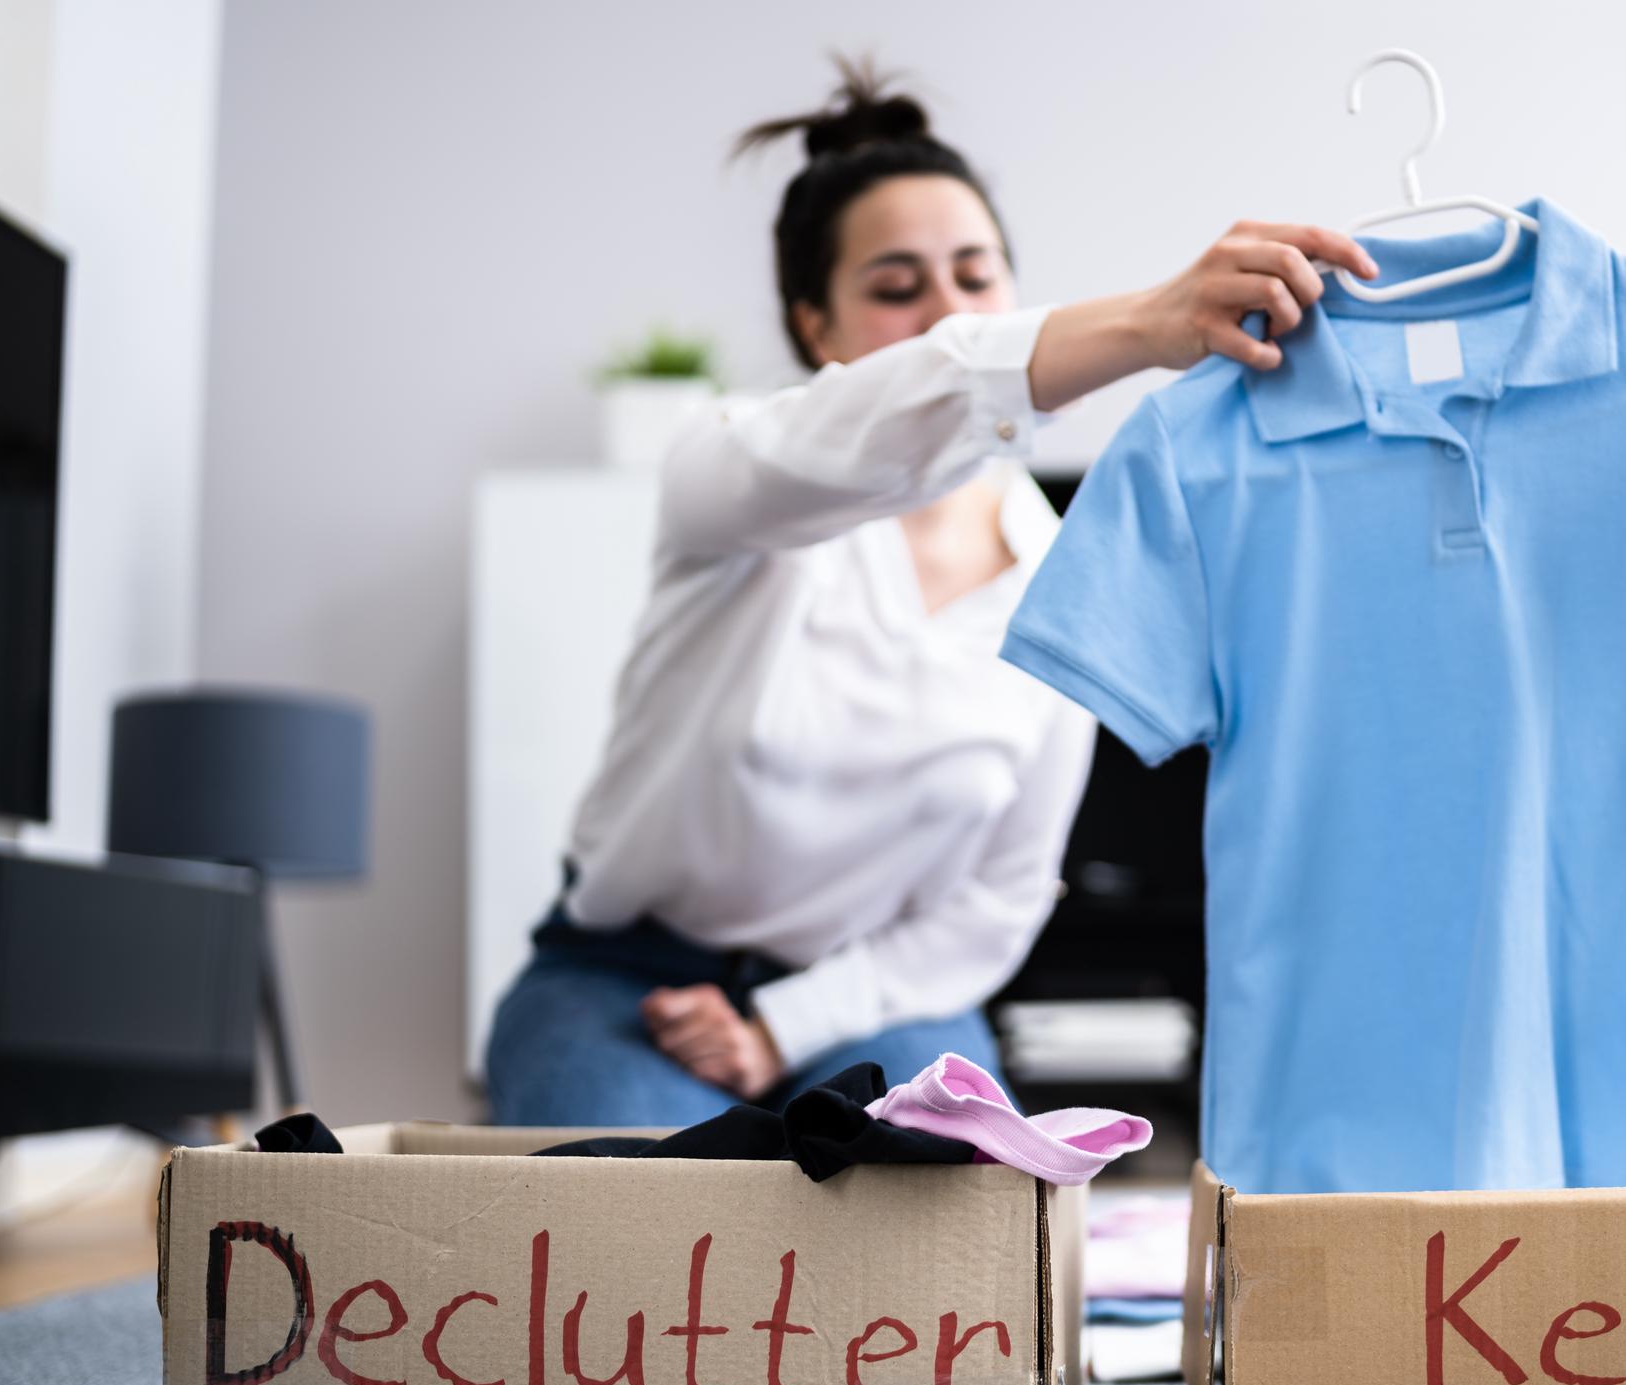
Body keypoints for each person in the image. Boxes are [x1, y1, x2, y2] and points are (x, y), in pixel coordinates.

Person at [485, 58, 1379, 1127]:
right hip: (622, 981)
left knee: (964, 1215)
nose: (951, 313)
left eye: (977, 276)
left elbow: (993, 906)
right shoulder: (732, 476)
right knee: (632, 1238)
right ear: (815, 328)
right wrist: (1145, 324)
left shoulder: (1064, 574)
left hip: (866, 1002)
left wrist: (785, 1026)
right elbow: (912, 402)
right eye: (897, 288)